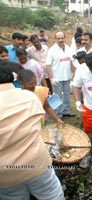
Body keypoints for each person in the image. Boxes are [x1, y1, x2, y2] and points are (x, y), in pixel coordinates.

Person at [0, 60, 64, 199]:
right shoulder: (29, 97)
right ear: (14, 78)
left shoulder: (32, 93)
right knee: (52, 195)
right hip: (37, 163)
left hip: (4, 174)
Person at [46, 31, 75, 118]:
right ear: (55, 39)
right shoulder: (52, 50)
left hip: (67, 76)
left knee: (67, 94)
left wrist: (73, 73)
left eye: (62, 38)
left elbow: (70, 61)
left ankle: (66, 110)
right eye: (58, 38)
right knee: (57, 96)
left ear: (64, 38)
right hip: (57, 78)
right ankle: (58, 113)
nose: (60, 40)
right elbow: (47, 65)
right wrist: (51, 78)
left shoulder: (68, 48)